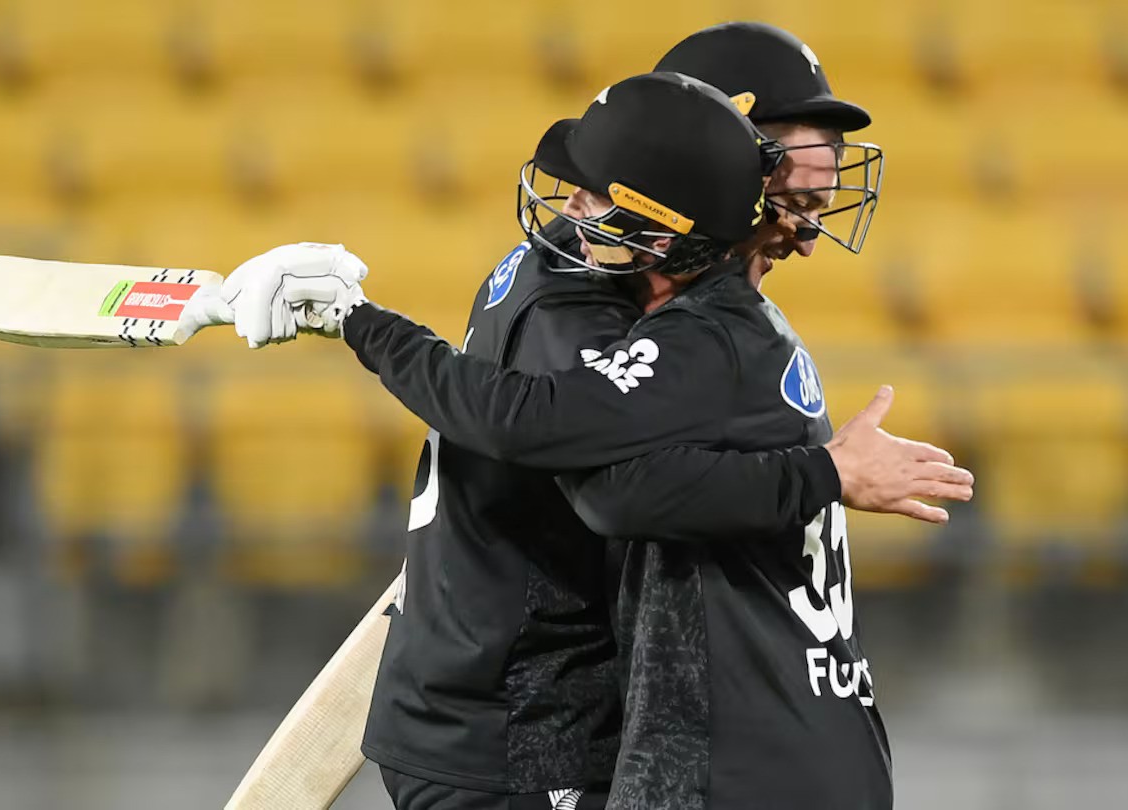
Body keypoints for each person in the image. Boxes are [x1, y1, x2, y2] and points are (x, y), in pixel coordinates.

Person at [226, 63, 966, 810]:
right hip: (526, 738)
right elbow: (573, 457)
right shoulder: (618, 313)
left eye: (594, 191)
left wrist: (355, 320)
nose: (571, 207)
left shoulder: (656, 317)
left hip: (535, 732)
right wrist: (824, 473)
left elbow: (583, 465)